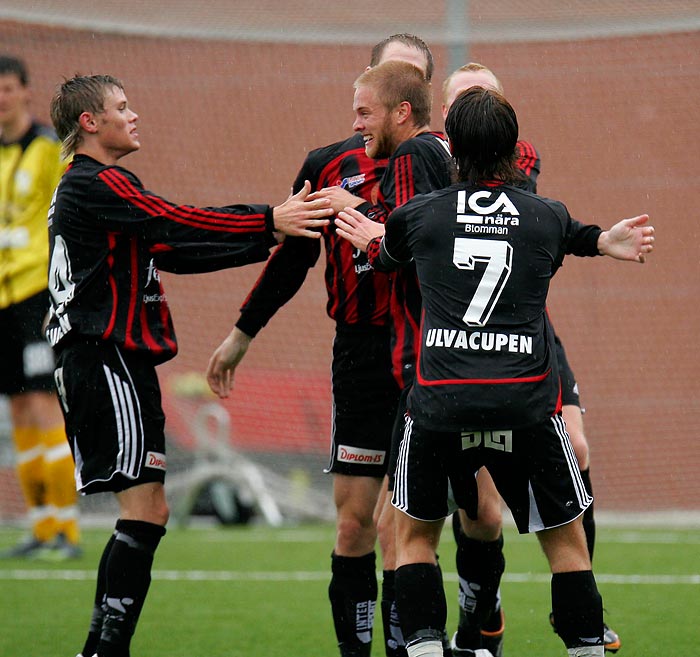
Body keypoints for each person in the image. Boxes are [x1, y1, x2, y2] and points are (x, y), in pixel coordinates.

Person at [335, 87, 653, 657]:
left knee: (413, 541)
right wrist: (607, 242)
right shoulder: (545, 216)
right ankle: (584, 647)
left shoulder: (420, 215)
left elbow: (383, 258)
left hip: (440, 402)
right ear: (514, 150)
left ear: (451, 148)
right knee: (569, 549)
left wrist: (372, 238)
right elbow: (578, 236)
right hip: (525, 405)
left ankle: (430, 649)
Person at [46, 73, 332, 657]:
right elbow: (170, 221)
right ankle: (104, 650)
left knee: (148, 510)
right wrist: (267, 219)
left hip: (114, 361)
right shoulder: (93, 183)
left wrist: (266, 235)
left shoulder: (99, 187)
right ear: (88, 123)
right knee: (145, 509)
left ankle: (100, 649)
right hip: (104, 358)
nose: (134, 116)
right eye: (121, 107)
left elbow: (172, 248)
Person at [206, 35, 435, 657]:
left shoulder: (444, 161)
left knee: (414, 524)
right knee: (356, 519)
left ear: (412, 100)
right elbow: (292, 259)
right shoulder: (328, 164)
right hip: (359, 353)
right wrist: (240, 335)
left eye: (405, 77)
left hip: (428, 355)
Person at [440, 64, 620, 656]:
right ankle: (481, 615)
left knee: (578, 445)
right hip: (456, 347)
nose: (474, 105)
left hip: (526, 332)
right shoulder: (423, 159)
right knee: (483, 509)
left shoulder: (517, 155)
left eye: (484, 95)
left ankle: (584, 614)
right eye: (463, 97)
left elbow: (518, 216)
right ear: (442, 109)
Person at [0, 54, 81, 560]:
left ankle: (67, 530)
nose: (1, 98)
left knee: (44, 403)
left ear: (27, 92)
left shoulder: (48, 147)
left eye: (8, 88)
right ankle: (40, 524)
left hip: (35, 294)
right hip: (2, 298)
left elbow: (67, 206)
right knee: (18, 411)